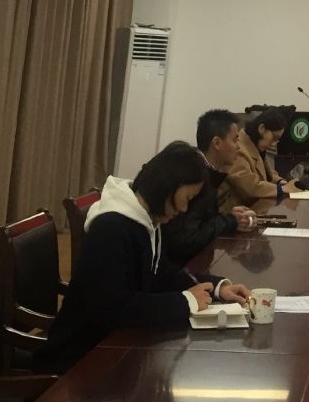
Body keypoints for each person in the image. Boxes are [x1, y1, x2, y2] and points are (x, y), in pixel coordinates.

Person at [34, 142, 252, 374]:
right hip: (80, 358)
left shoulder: (145, 218)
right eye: (187, 197)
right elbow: (112, 309)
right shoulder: (112, 227)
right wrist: (184, 301)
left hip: (115, 346)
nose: (184, 209)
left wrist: (216, 288)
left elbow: (160, 272)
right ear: (167, 185)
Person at [162, 109, 257, 266]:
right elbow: (187, 238)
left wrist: (229, 217)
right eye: (235, 140)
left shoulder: (206, 169)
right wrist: (231, 221)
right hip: (178, 267)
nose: (239, 148)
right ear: (217, 143)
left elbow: (202, 220)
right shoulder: (193, 175)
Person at [221, 108, 300, 211]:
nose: (274, 143)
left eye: (278, 140)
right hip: (236, 213)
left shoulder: (255, 144)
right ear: (262, 128)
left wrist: (280, 182)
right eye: (274, 137)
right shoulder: (238, 149)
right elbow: (250, 187)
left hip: (252, 209)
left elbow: (268, 173)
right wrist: (282, 189)